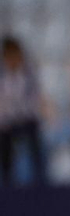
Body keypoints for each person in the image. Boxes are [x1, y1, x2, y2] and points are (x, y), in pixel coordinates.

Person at [0, 35, 48, 186]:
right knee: (5, 144)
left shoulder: (28, 74)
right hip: (8, 122)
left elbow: (33, 100)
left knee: (35, 140)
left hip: (27, 119)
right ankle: (8, 183)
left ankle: (40, 183)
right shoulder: (3, 76)